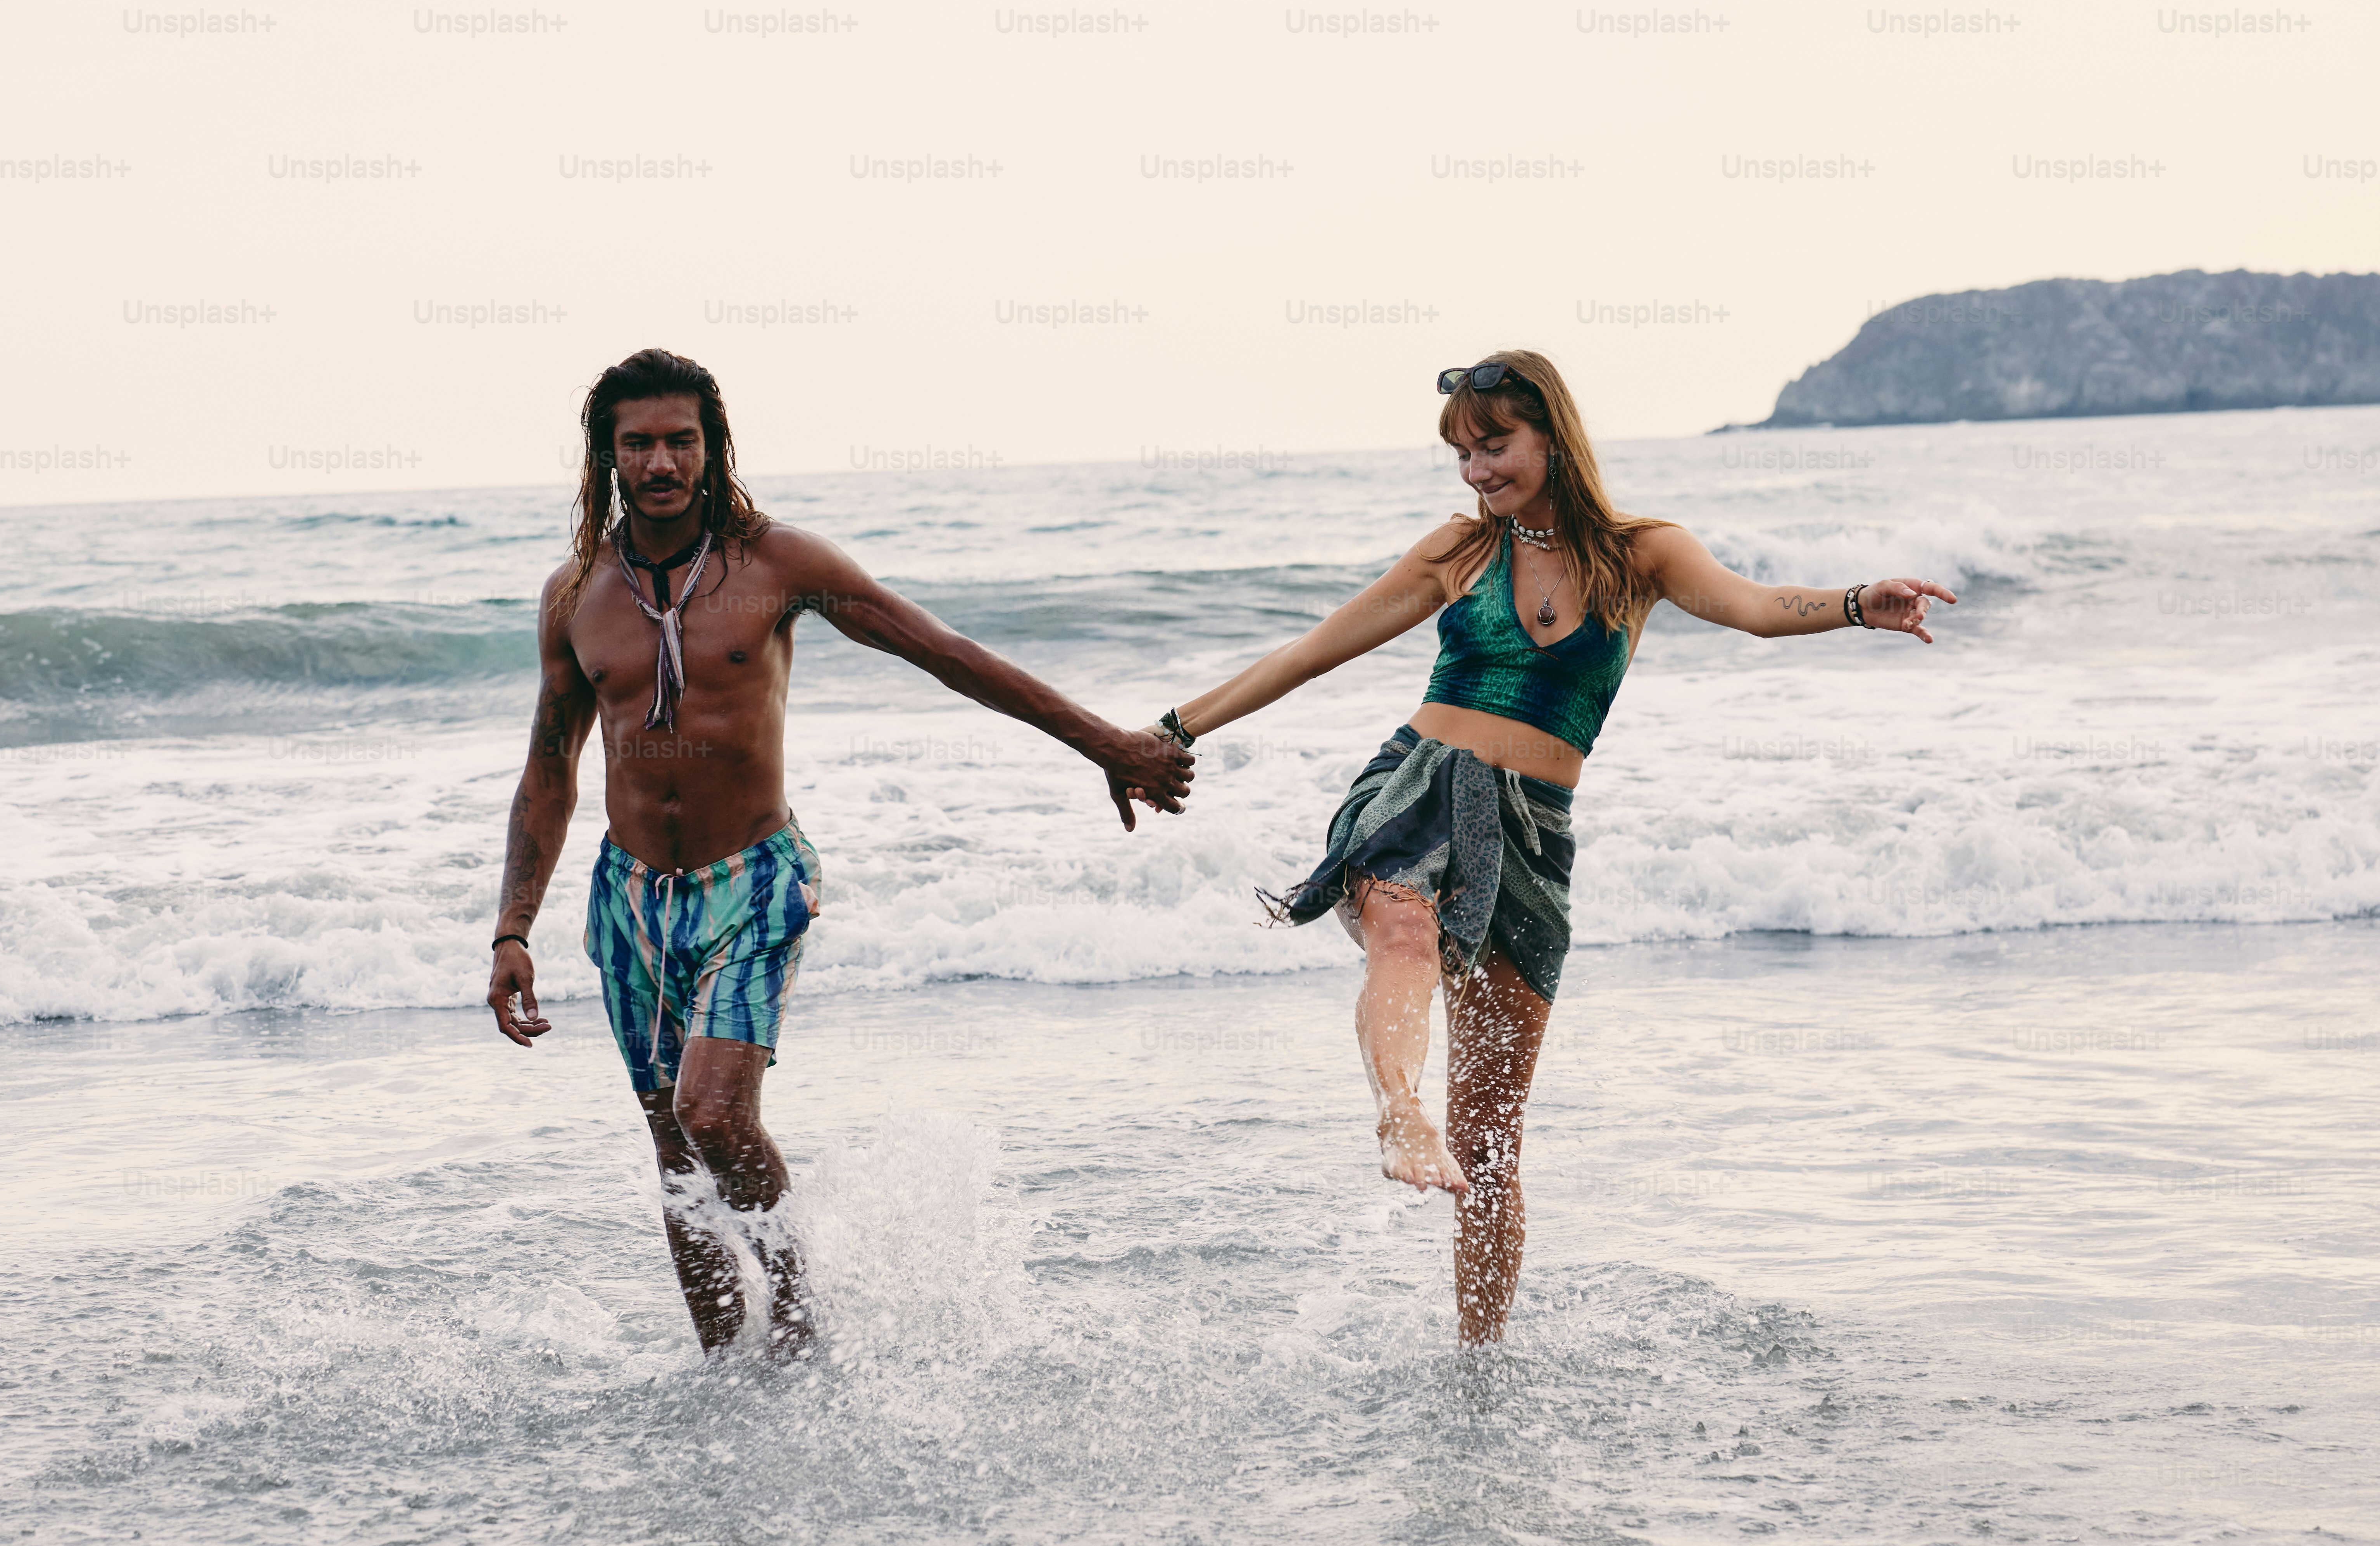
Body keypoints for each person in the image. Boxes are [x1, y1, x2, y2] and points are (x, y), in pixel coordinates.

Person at [1139, 350, 1951, 1345]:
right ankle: (1398, 1111)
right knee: (1401, 927)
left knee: (1489, 1141)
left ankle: (1479, 1361)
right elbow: (1313, 652)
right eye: (1463, 455)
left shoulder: (1642, 554)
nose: (1477, 472)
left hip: (1532, 835)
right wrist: (1175, 731)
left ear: (1552, 436)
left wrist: (1858, 601)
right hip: (1420, 787)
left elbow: (1752, 608)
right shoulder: (1458, 554)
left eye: (1495, 446)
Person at [486, 348, 1194, 1357]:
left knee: (712, 1114)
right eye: (636, 442)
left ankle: (799, 1322)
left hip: (754, 883)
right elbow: (549, 764)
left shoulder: (778, 564)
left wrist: (1107, 745)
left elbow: (946, 653)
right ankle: (725, 1369)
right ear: (605, 455)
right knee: (673, 1150)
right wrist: (513, 927)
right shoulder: (574, 596)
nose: (659, 462)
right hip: (629, 899)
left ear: (712, 446)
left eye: (678, 440)